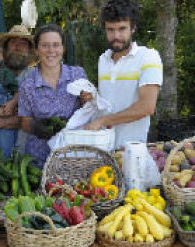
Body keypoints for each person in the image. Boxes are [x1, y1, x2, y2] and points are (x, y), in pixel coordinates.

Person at [84, 0, 163, 149]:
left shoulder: (148, 57)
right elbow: (109, 102)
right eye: (110, 30)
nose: (116, 36)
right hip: (103, 148)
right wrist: (92, 98)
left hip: (131, 151)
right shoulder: (103, 59)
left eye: (122, 29)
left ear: (133, 28)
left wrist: (103, 121)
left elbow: (147, 107)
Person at [18, 23, 88, 169]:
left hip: (72, 156)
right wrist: (37, 127)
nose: (51, 51)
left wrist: (88, 101)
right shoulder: (27, 84)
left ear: (63, 48)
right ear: (37, 50)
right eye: (45, 45)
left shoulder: (77, 75)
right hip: (38, 159)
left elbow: (88, 107)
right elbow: (24, 121)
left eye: (56, 45)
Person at [0, 25, 35, 154]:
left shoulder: (36, 78)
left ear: (29, 50)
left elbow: (35, 118)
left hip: (25, 154)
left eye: (23, 43)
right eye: (13, 42)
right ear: (5, 48)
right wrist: (6, 111)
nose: (17, 46)